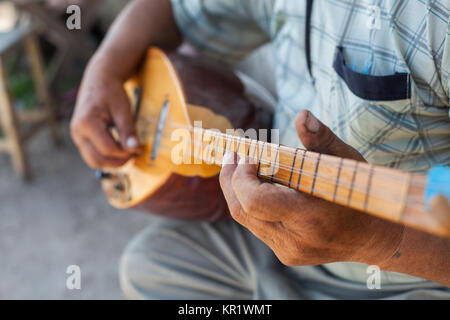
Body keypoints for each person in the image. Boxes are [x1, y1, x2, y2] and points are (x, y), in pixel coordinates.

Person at [70, 0, 450, 299]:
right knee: (151, 267)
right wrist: (103, 70)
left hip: (413, 276)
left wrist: (382, 240)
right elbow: (175, 7)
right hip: (274, 240)